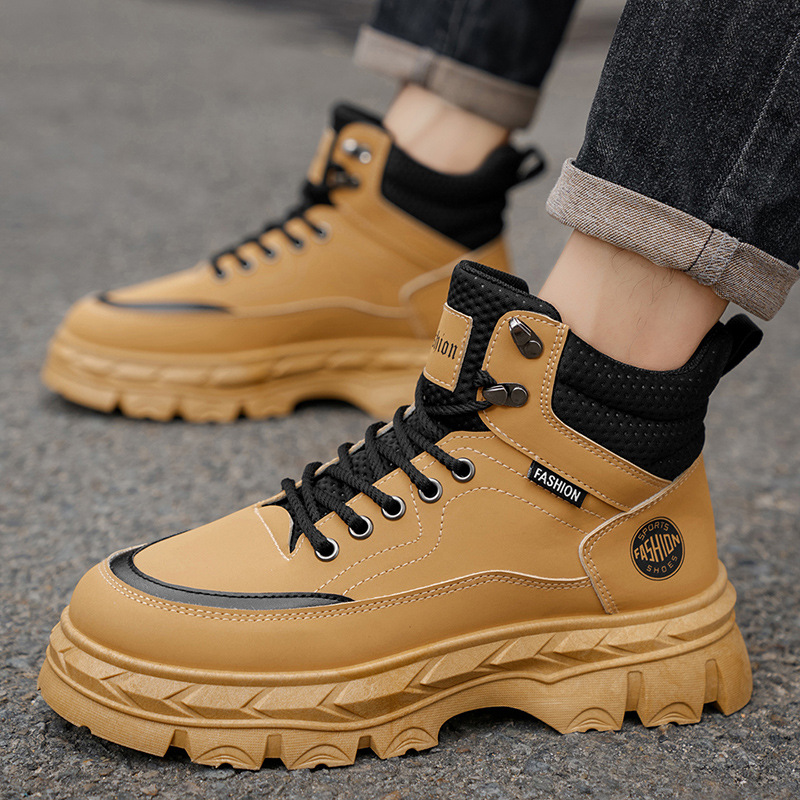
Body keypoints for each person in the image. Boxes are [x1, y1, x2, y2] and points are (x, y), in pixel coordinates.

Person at [37, 0, 797, 772]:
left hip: (606, 468)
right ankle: (427, 175)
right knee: (438, 141)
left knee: (604, 371)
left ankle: (608, 391)